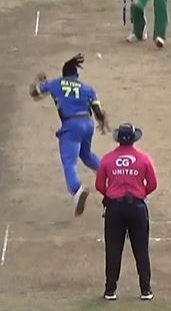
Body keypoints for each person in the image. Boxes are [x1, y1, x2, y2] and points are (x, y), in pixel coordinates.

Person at [30, 53, 111, 216]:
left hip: (71, 125)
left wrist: (38, 81)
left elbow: (35, 93)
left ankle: (77, 190)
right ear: (76, 75)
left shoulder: (56, 83)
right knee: (86, 155)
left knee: (69, 162)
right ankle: (109, 176)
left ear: (63, 73)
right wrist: (102, 122)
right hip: (87, 124)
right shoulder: (87, 88)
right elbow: (98, 111)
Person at [95, 123, 157, 301]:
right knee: (141, 249)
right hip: (137, 208)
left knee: (113, 249)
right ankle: (145, 290)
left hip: (114, 209)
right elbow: (152, 184)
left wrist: (111, 195)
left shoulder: (107, 160)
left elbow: (99, 185)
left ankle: (110, 291)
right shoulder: (144, 159)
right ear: (133, 139)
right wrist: (140, 194)